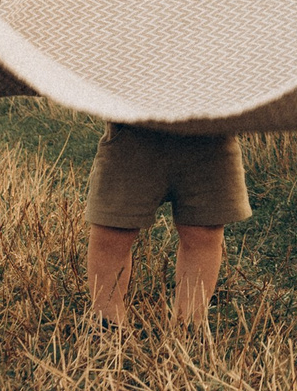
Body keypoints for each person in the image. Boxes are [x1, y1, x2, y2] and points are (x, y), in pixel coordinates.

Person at [84, 125, 250, 329]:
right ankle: (106, 322)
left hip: (210, 138)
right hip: (131, 136)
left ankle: (189, 325)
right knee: (112, 231)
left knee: (203, 231)